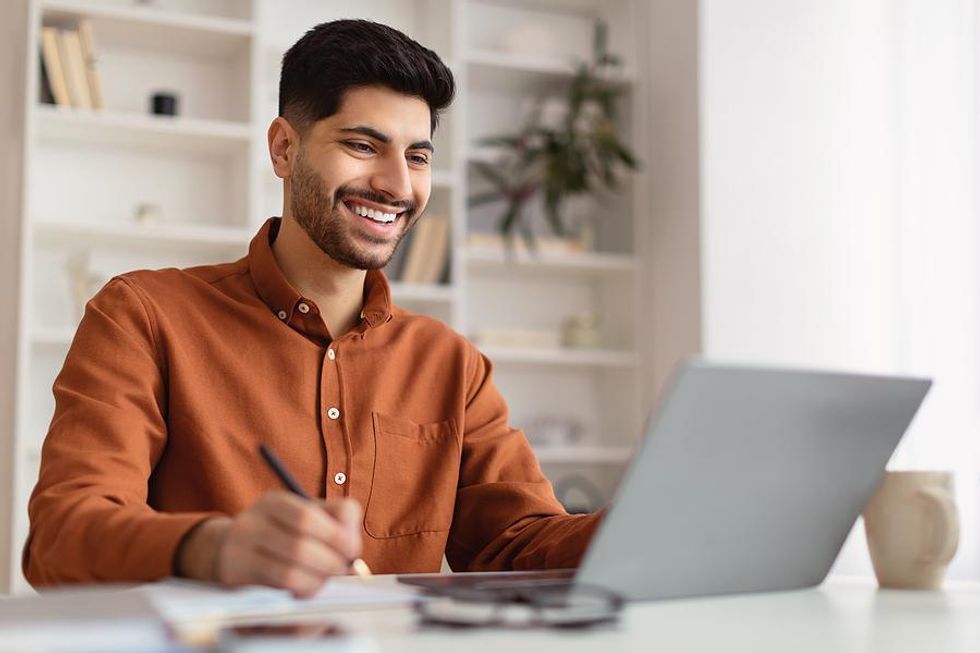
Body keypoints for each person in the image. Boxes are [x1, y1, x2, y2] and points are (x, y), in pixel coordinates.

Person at [23, 19, 600, 597]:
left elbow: (519, 544)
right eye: (362, 145)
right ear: (283, 148)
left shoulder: (452, 363)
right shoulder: (144, 315)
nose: (397, 184)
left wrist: (659, 527)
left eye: (418, 156)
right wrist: (212, 548)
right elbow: (61, 538)